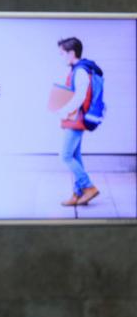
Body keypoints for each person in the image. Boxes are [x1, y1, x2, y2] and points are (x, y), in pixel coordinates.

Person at [57, 37, 100, 206]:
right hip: (76, 118)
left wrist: (64, 111)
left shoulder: (80, 71)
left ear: (71, 53)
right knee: (75, 155)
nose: (61, 57)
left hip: (76, 118)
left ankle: (89, 187)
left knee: (65, 156)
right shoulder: (78, 69)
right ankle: (78, 194)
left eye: (62, 53)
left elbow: (80, 96)